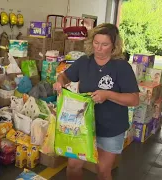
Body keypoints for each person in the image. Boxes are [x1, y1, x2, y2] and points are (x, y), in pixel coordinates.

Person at [53, 23, 140, 180]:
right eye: (96, 43)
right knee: (73, 166)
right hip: (82, 125)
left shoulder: (122, 67)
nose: (99, 48)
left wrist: (108, 95)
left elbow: (134, 99)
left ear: (114, 46)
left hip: (111, 128)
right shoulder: (84, 61)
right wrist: (60, 82)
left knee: (103, 171)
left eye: (105, 44)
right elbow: (65, 76)